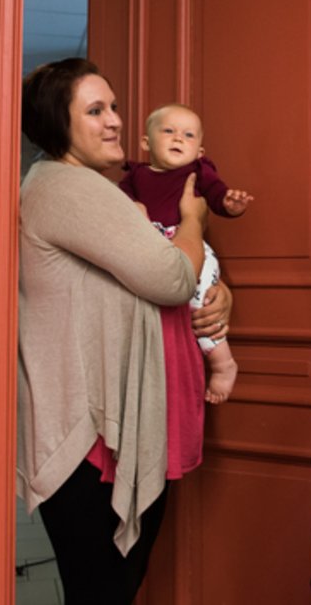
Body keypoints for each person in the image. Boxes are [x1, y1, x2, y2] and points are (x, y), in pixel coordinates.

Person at [16, 58, 232, 604]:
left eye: (112, 106)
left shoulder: (82, 188)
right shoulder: (70, 188)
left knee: (108, 589)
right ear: (57, 125)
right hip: (88, 444)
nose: (113, 120)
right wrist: (194, 223)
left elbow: (159, 275)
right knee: (105, 591)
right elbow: (169, 276)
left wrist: (215, 290)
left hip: (98, 437)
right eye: (94, 111)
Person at [119, 103, 253, 404]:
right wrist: (132, 208)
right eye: (169, 131)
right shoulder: (135, 176)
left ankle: (222, 364)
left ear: (200, 151)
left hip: (191, 248)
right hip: (151, 247)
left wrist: (231, 204)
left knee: (203, 304)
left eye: (188, 135)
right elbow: (120, 206)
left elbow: (217, 196)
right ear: (146, 142)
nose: (178, 138)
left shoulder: (198, 171)